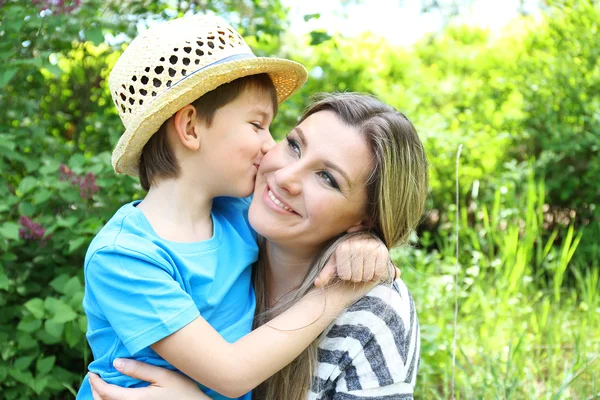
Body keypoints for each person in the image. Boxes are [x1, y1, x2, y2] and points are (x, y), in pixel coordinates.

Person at [77, 14, 392, 400]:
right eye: (257, 124)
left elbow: (319, 230)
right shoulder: (125, 255)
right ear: (190, 127)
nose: (270, 146)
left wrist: (364, 243)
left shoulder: (236, 215)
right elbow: (230, 374)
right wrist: (340, 291)